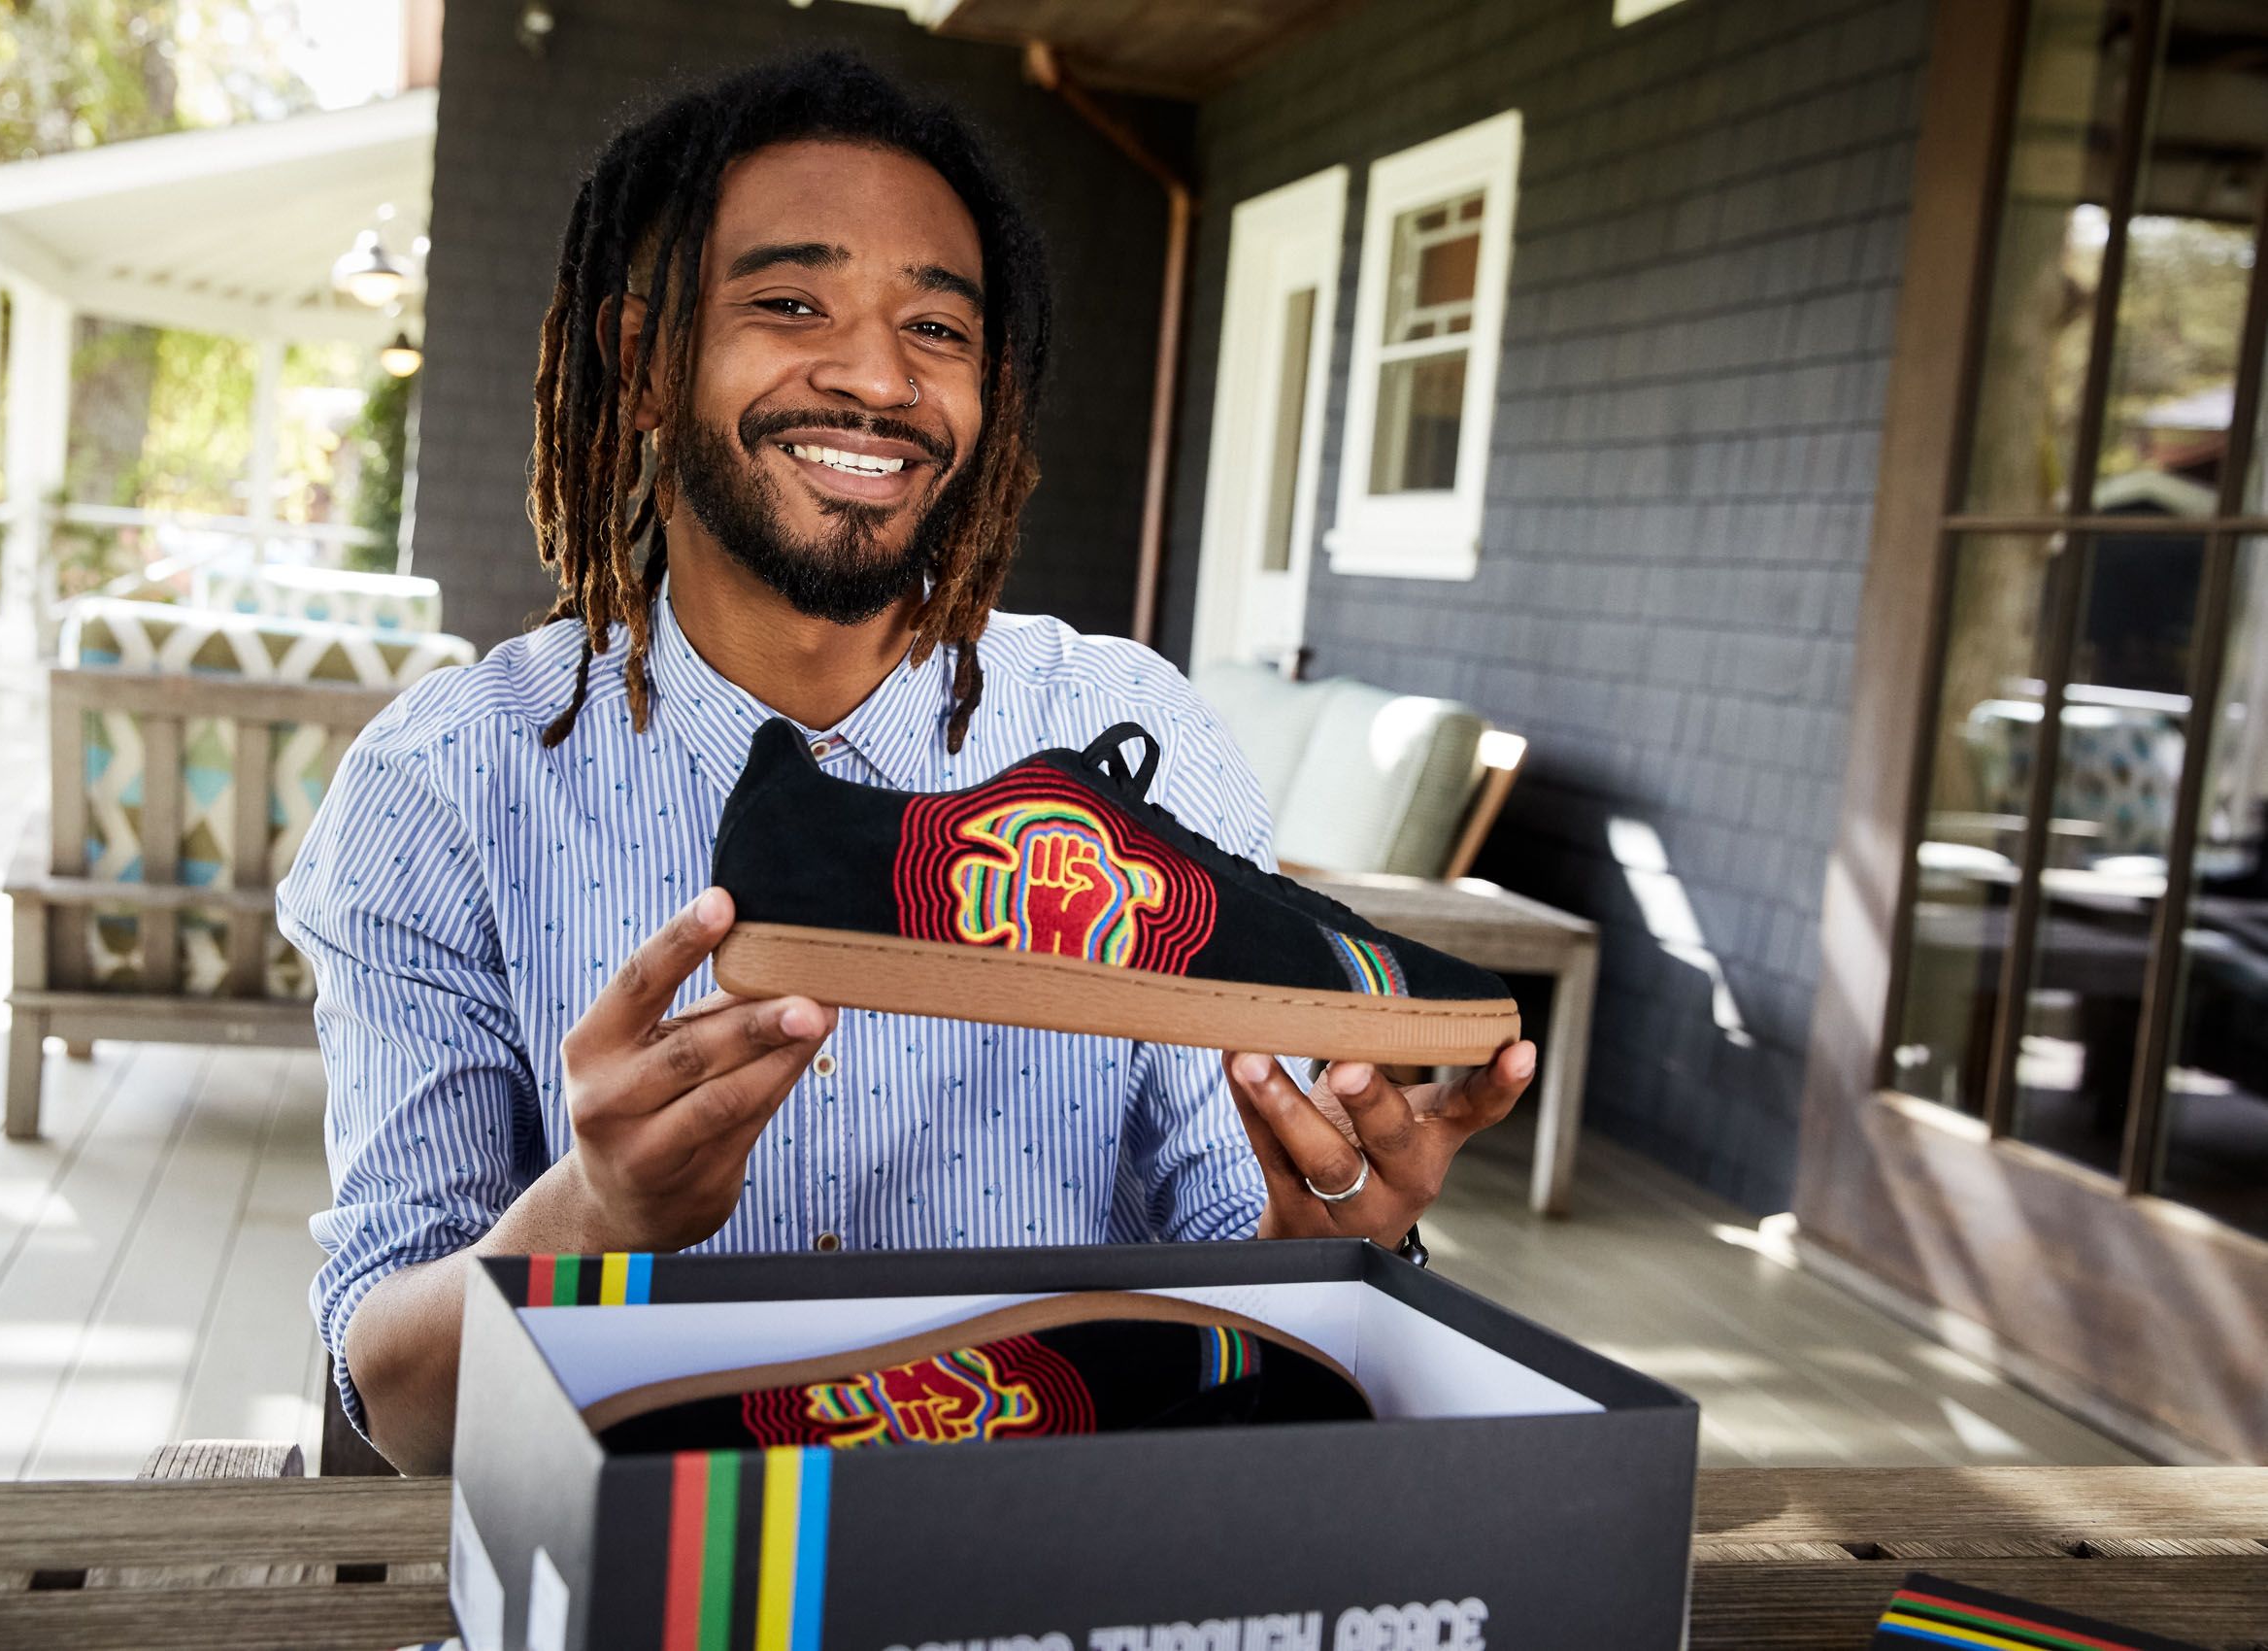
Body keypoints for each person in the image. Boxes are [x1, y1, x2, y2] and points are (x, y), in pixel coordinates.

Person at [278, 50, 1536, 1474]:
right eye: (788, 303)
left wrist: (1335, 1256)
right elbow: (398, 1410)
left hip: (1057, 1541)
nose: (875, 376)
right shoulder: (442, 785)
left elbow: (1238, 1300)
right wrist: (595, 1217)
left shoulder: (1140, 722)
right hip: (650, 1554)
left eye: (935, 329)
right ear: (640, 363)